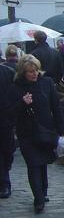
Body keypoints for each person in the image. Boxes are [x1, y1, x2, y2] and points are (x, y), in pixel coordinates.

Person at [7, 55, 64, 212]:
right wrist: (22, 103)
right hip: (26, 133)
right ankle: (38, 199)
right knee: (33, 164)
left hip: (46, 130)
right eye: (30, 72)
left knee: (42, 163)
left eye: (36, 70)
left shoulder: (46, 83)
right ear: (22, 72)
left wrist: (61, 129)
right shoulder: (15, 88)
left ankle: (43, 192)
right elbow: (10, 113)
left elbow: (56, 107)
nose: (34, 74)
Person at [0, 61, 16, 198]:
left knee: (7, 151)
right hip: (6, 119)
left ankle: (6, 171)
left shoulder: (7, 72)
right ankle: (4, 183)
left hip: (5, 118)